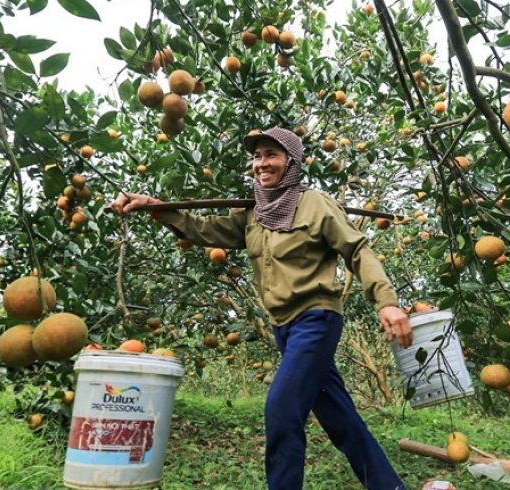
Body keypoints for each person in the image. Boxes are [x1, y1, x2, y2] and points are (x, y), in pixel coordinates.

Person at [111, 127, 413, 490]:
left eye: (271, 154)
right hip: (283, 328)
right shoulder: (254, 213)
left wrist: (387, 302)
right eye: (257, 156)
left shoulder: (315, 203)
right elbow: (204, 230)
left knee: (282, 410)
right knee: (339, 417)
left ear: (291, 162)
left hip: (316, 319)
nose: (262, 163)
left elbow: (358, 251)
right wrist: (155, 208)